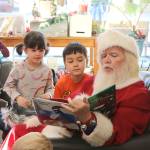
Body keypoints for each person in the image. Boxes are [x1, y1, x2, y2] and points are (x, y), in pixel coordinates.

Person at [62, 30, 150, 147]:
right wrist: (57, 117)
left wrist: (87, 118)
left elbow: (114, 135)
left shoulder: (138, 95)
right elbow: (69, 101)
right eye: (103, 56)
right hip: (70, 135)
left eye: (113, 55)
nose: (106, 60)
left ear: (129, 60)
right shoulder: (92, 81)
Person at [2, 31, 54, 133]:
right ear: (25, 50)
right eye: (33, 50)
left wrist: (48, 95)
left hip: (40, 112)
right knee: (20, 133)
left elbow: (51, 88)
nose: (38, 53)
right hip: (19, 112)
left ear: (45, 50)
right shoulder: (18, 68)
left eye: (41, 50)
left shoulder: (47, 70)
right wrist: (18, 97)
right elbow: (7, 86)